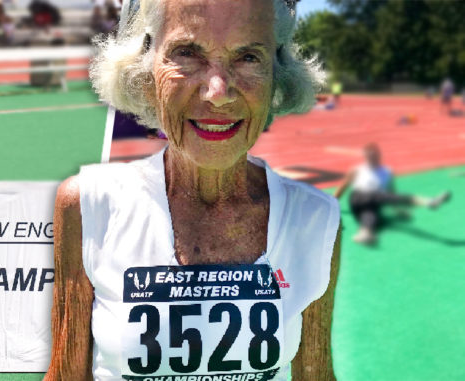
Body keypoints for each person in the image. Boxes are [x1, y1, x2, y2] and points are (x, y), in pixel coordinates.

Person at [45, 0, 341, 380]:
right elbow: (66, 374)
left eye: (248, 56)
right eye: (187, 53)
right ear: (146, 70)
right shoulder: (89, 205)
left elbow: (316, 375)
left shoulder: (313, 219)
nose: (218, 92)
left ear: (277, 76)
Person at [333, 143, 450, 245]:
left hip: (374, 202)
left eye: (374, 154)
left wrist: (397, 210)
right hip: (358, 198)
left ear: (378, 155)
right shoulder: (357, 169)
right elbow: (343, 187)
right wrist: (332, 203)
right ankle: (429, 202)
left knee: (371, 214)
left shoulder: (386, 171)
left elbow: (391, 195)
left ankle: (365, 233)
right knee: (376, 196)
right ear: (366, 156)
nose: (372, 157)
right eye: (369, 155)